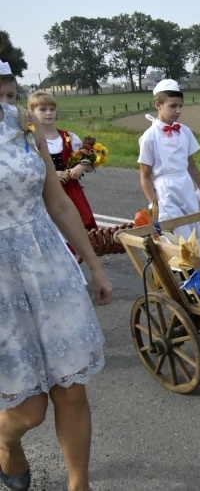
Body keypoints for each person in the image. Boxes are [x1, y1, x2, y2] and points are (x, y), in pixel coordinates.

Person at [0, 68, 113, 491]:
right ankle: (7, 442)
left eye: (6, 93)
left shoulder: (21, 127)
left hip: (49, 265)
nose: (4, 102)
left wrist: (95, 267)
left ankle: (78, 484)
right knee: (29, 410)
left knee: (71, 389)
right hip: (3, 284)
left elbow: (58, 201)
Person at [138, 79, 200, 241]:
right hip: (166, 191)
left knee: (194, 235)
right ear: (158, 104)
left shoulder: (185, 132)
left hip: (185, 186)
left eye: (180, 106)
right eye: (173, 106)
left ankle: (197, 266)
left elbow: (191, 166)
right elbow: (145, 176)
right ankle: (180, 267)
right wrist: (154, 205)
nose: (178, 111)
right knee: (179, 238)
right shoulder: (149, 137)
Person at [28, 91, 98, 232]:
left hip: (72, 193)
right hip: (45, 194)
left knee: (79, 230)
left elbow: (92, 162)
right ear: (31, 112)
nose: (49, 113)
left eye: (52, 109)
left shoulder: (68, 137)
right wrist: (52, 174)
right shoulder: (29, 139)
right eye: (43, 109)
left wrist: (81, 166)